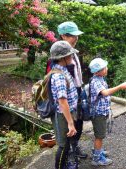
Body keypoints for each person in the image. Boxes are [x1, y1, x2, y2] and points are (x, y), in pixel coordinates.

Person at [47, 21, 88, 158]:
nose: (76, 38)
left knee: (79, 121)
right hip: (66, 97)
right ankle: (69, 150)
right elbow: (53, 85)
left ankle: (74, 147)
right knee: (69, 125)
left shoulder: (72, 53)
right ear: (63, 36)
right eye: (73, 36)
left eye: (77, 35)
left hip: (77, 91)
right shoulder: (57, 59)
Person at [88, 58, 126, 166]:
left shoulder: (101, 79)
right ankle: (97, 158)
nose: (107, 69)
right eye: (104, 68)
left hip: (102, 112)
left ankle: (98, 150)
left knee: (100, 135)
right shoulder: (96, 81)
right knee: (100, 136)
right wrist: (120, 86)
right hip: (98, 114)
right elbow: (105, 93)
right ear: (97, 71)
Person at [48, 40, 79, 169]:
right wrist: (70, 123)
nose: (72, 57)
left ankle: (65, 164)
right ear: (64, 58)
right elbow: (62, 101)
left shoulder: (63, 70)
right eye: (70, 55)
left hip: (67, 113)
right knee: (63, 145)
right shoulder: (59, 76)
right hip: (62, 115)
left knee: (67, 143)